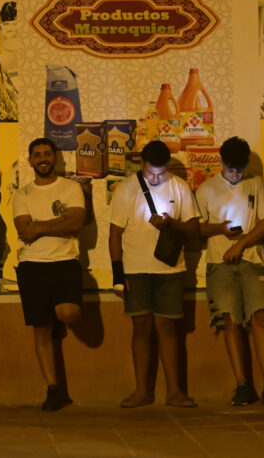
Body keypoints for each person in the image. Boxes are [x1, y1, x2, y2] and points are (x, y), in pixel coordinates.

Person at [196, 136, 264, 407]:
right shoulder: (207, 189)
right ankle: (243, 384)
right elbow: (197, 227)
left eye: (240, 169)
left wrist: (241, 244)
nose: (235, 174)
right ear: (222, 163)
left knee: (261, 317)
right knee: (231, 321)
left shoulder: (256, 183)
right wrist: (220, 229)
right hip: (219, 263)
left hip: (253, 261)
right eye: (231, 169)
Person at [109, 140, 200, 408]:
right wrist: (117, 275)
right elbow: (114, 234)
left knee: (168, 328)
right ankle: (142, 391)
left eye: (160, 173)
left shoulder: (179, 187)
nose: (156, 178)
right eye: (151, 173)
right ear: (142, 164)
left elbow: (194, 229)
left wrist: (172, 223)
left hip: (170, 270)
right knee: (141, 327)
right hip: (136, 269)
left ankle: (175, 392)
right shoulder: (126, 188)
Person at [12, 137, 86, 411]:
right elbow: (24, 230)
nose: (42, 158)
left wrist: (39, 227)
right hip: (32, 265)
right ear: (30, 160)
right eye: (37, 155)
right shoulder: (22, 194)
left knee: (68, 313)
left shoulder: (71, 188)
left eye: (47, 153)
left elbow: (76, 222)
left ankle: (56, 317)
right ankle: (53, 389)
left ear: (55, 157)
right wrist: (60, 223)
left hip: (65, 262)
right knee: (41, 329)